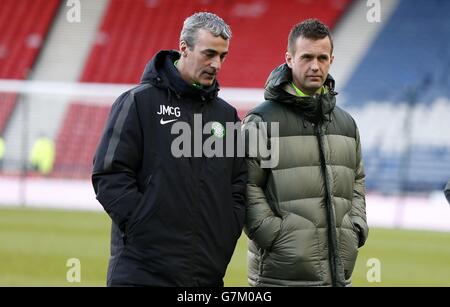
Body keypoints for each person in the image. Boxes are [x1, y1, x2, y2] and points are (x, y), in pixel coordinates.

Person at [92, 12, 247, 287]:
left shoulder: (226, 116)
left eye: (222, 56)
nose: (216, 64)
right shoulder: (139, 103)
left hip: (205, 274)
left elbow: (238, 184)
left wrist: (226, 230)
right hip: (142, 272)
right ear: (184, 48)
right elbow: (110, 173)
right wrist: (144, 225)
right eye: (209, 53)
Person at [243, 19, 368, 287]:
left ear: (331, 60)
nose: (315, 65)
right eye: (307, 57)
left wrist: (355, 226)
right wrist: (275, 237)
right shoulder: (261, 121)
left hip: (337, 275)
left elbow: (357, 181)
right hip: (279, 276)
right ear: (289, 59)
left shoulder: (347, 124)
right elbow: (246, 186)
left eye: (322, 58)